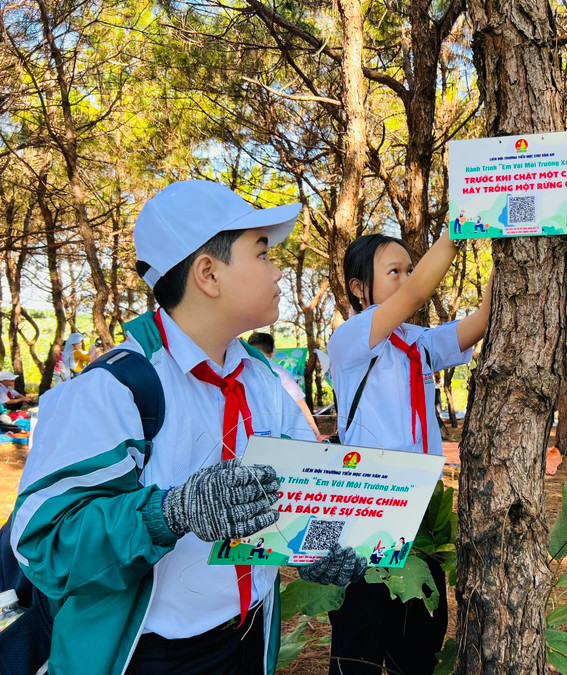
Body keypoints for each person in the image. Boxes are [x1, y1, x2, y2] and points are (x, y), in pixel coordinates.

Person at [10, 179, 367, 675]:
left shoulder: (269, 383)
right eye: (262, 254)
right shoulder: (114, 388)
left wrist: (319, 547)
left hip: (248, 641)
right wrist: (169, 512)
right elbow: (43, 541)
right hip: (149, 655)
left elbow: (297, 498)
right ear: (208, 273)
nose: (278, 271)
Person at [326, 231, 492, 674]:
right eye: (393, 272)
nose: (407, 279)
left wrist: (503, 247)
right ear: (360, 288)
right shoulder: (350, 339)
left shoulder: (416, 341)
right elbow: (420, 292)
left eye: (409, 269)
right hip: (366, 503)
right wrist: (464, 226)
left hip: (421, 503)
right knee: (360, 635)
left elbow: (482, 321)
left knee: (418, 633)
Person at [247, 332, 324, 441]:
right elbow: (298, 401)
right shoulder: (279, 372)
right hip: (277, 434)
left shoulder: (241, 371)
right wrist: (313, 427)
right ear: (272, 353)